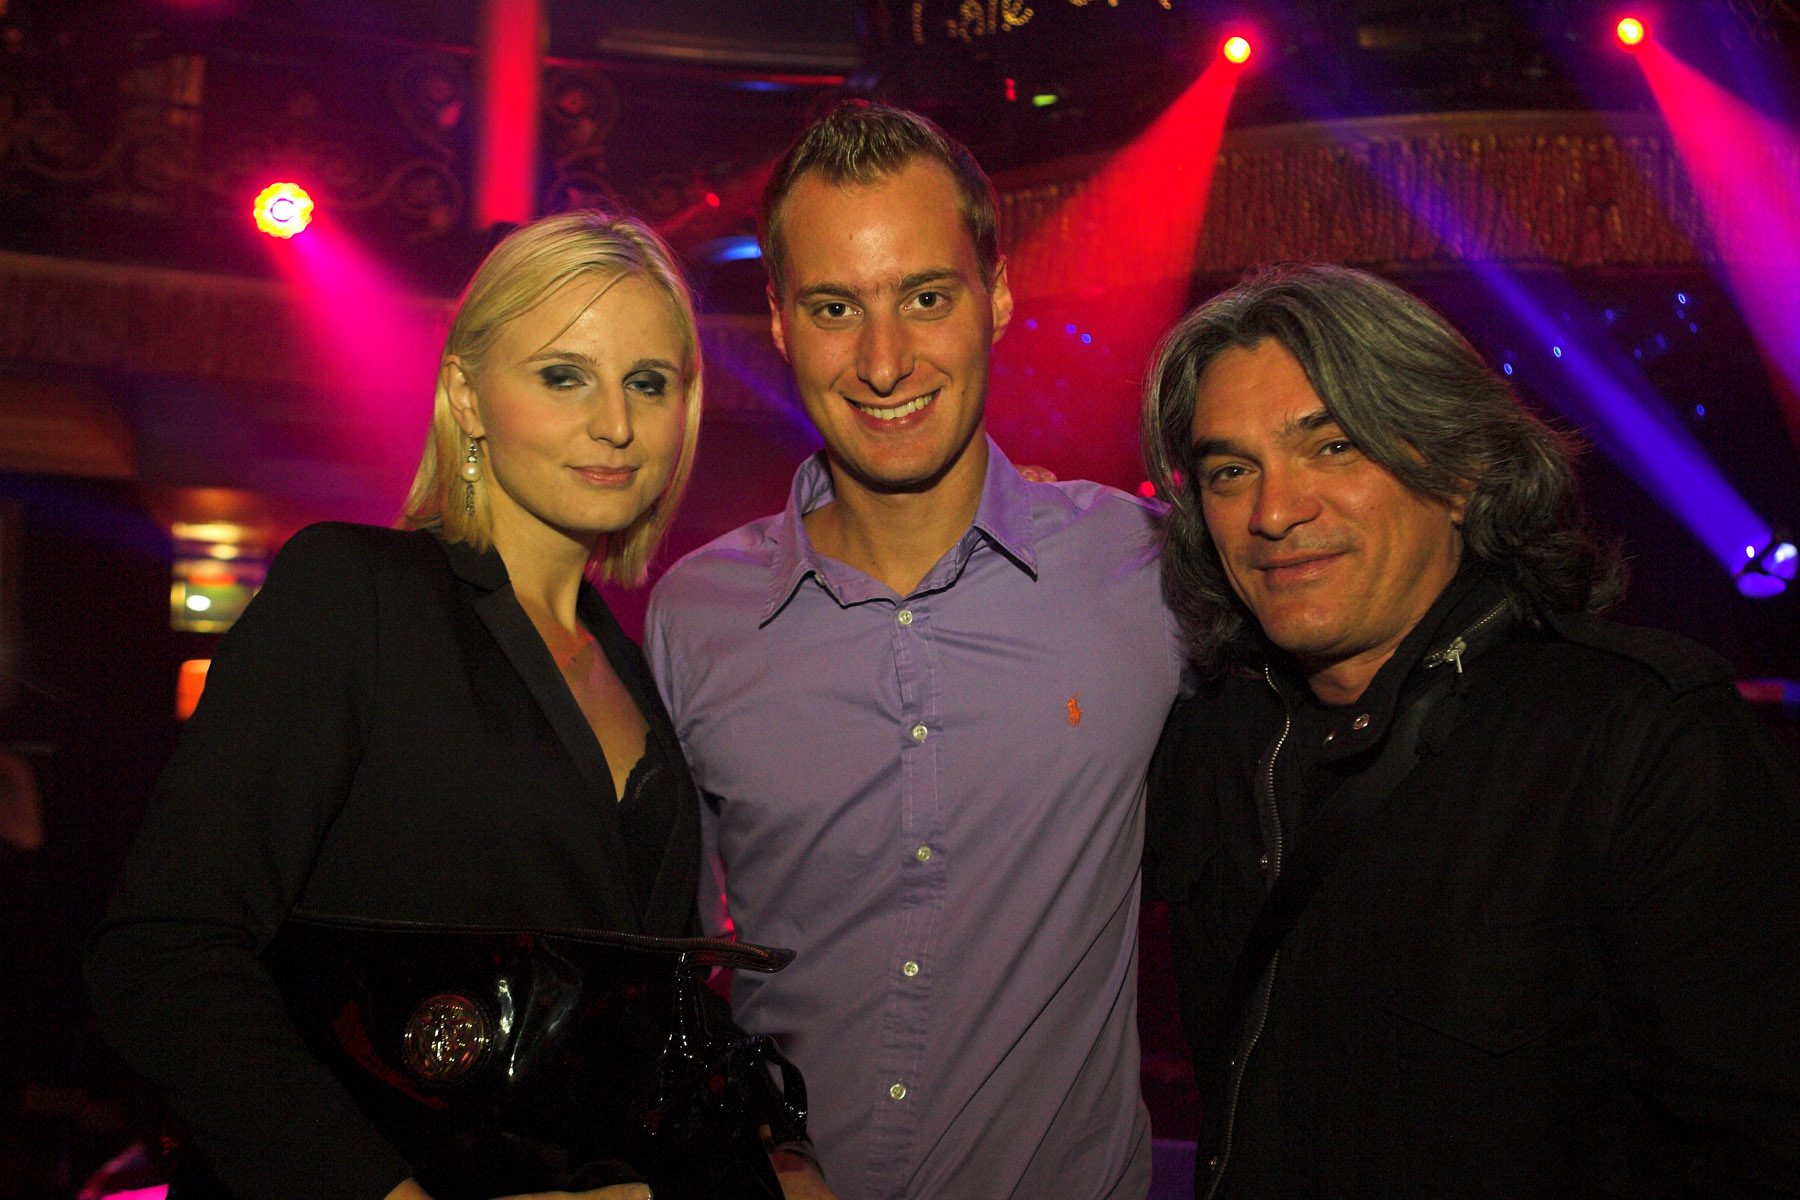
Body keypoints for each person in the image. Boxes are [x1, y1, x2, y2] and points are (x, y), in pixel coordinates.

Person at [85, 211, 826, 1200]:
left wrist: (772, 1154)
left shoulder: (631, 663)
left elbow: (638, 1002)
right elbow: (161, 956)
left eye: (648, 382)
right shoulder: (356, 594)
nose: (615, 422)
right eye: (564, 376)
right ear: (469, 398)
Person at [1140, 261, 1800, 1198]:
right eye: (1231, 471)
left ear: (1460, 470)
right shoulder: (1210, 735)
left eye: (1335, 447)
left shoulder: (1639, 739)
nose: (1274, 512)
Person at [643, 101, 1187, 1200]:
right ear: (780, 321)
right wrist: (753, 1145)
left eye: (926, 297)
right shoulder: (695, 616)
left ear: (997, 296)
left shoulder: (1146, 570)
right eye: (835, 307)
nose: (884, 361)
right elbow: (662, 977)